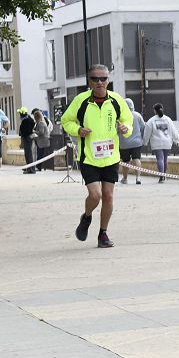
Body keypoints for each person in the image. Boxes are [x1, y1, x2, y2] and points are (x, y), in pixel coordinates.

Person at [61, 65, 133, 248]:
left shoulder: (117, 100)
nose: (100, 82)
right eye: (95, 79)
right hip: (89, 157)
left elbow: (127, 120)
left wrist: (126, 129)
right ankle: (86, 217)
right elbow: (66, 120)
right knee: (95, 195)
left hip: (110, 157)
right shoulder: (81, 101)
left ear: (108, 80)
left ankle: (103, 234)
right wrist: (77, 130)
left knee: (108, 196)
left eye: (103, 79)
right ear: (89, 81)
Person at [143, 103, 179, 183]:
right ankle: (164, 175)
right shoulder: (168, 119)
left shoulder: (151, 120)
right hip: (167, 142)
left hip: (157, 143)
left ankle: (162, 176)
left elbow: (147, 132)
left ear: (155, 111)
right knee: (165, 159)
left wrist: (145, 142)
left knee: (160, 159)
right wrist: (177, 140)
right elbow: (174, 131)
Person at [118, 98, 146, 184]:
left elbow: (116, 130)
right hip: (137, 142)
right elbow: (143, 127)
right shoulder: (137, 115)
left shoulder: (121, 117)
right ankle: (138, 178)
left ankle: (125, 179)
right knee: (136, 159)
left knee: (125, 161)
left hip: (124, 143)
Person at [18, 107, 37, 174]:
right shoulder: (28, 119)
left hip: (27, 139)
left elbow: (26, 131)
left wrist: (24, 135)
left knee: (29, 154)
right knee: (28, 153)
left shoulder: (27, 121)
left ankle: (31, 169)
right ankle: (29, 168)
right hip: (27, 138)